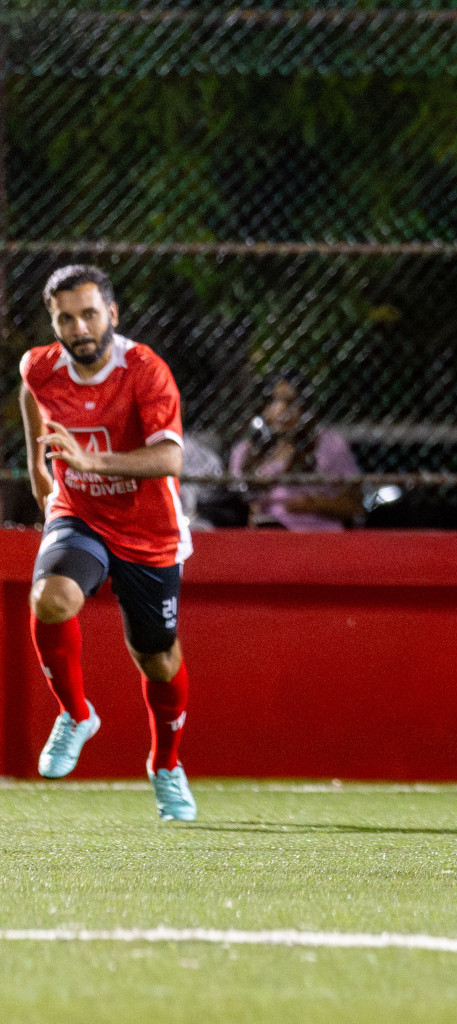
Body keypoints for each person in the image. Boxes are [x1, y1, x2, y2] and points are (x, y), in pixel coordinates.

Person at [19, 264, 199, 821]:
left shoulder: (144, 371)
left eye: (89, 314)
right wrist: (37, 467)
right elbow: (30, 392)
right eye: (65, 318)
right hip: (81, 514)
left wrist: (91, 459)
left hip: (149, 533)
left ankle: (165, 765)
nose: (79, 328)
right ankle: (76, 714)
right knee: (50, 599)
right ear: (54, 323)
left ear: (112, 315)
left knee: (159, 661)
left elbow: (170, 458)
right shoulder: (41, 367)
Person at [229, 371, 363, 530]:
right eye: (274, 402)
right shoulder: (245, 451)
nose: (281, 411)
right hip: (265, 538)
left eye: (291, 402)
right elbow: (235, 502)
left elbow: (355, 505)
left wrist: (313, 503)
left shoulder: (328, 444)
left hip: (316, 535)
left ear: (305, 407)